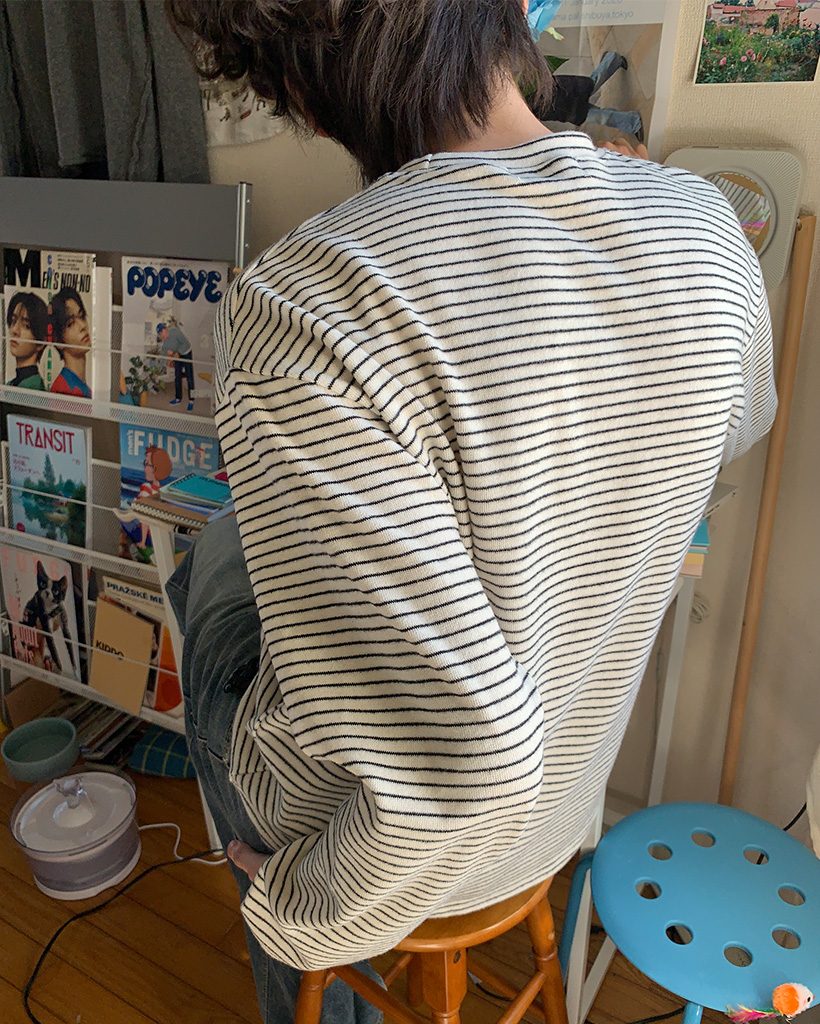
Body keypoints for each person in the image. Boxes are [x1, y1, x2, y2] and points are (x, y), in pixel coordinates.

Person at [165, 3, 777, 1023]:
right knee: (234, 554)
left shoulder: (303, 304)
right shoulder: (705, 223)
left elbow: (467, 769)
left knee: (211, 570)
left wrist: (302, 914)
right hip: (562, 804)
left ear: (300, 93)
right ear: (506, 24)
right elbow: (736, 429)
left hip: (376, 846)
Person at [49, 286, 91, 398]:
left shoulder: (85, 388)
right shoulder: (61, 390)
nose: (82, 326)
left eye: (82, 316)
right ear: (58, 341)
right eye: (71, 324)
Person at [5, 290, 48, 389]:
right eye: (13, 321)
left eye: (26, 326)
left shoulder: (34, 387)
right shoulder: (11, 384)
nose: (15, 330)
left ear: (40, 343)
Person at [157, 321, 195, 411]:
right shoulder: (165, 343)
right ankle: (178, 398)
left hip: (186, 352)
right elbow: (163, 356)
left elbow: (186, 343)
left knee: (189, 377)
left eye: (162, 333)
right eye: (160, 335)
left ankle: (191, 400)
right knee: (177, 376)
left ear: (165, 329)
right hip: (177, 355)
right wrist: (158, 371)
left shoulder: (175, 332)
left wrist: (178, 352)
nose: (162, 336)